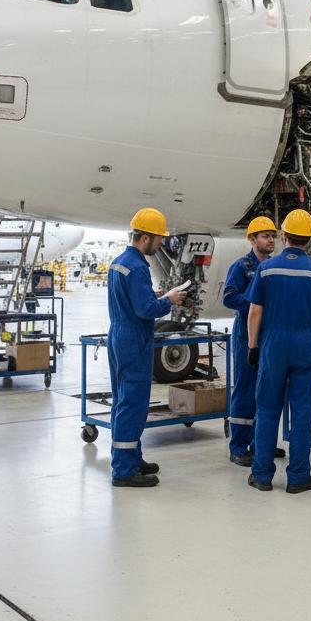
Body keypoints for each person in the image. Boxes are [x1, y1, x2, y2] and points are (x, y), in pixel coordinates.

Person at [246, 209, 311, 495]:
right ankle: (298, 477)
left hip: (273, 344)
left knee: (267, 409)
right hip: (305, 344)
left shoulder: (266, 269)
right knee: (301, 411)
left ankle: (261, 475)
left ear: (284, 236)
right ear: (309, 239)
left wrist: (252, 346)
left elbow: (254, 312)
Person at [106, 208, 188, 488]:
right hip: (134, 339)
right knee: (133, 403)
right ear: (145, 238)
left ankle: (130, 456)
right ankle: (123, 470)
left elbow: (131, 299)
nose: (161, 243)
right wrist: (169, 300)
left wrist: (155, 295)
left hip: (118, 334)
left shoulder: (119, 262)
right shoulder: (140, 267)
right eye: (159, 239)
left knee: (122, 400)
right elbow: (145, 309)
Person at [222, 216, 285, 467]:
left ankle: (261, 444)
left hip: (269, 333)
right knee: (245, 390)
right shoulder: (241, 267)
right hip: (246, 334)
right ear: (252, 239)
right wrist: (255, 304)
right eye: (265, 236)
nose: (270, 240)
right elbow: (229, 298)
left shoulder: (273, 266)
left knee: (267, 391)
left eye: (273, 236)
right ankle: (239, 446)